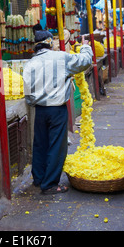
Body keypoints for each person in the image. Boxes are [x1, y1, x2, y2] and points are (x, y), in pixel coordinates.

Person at [23, 24, 93, 195]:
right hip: (57, 110)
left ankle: (39, 179)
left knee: (40, 144)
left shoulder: (30, 63)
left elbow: (28, 93)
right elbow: (85, 62)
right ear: (49, 42)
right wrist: (85, 47)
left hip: (39, 110)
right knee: (56, 146)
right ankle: (50, 184)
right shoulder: (61, 58)